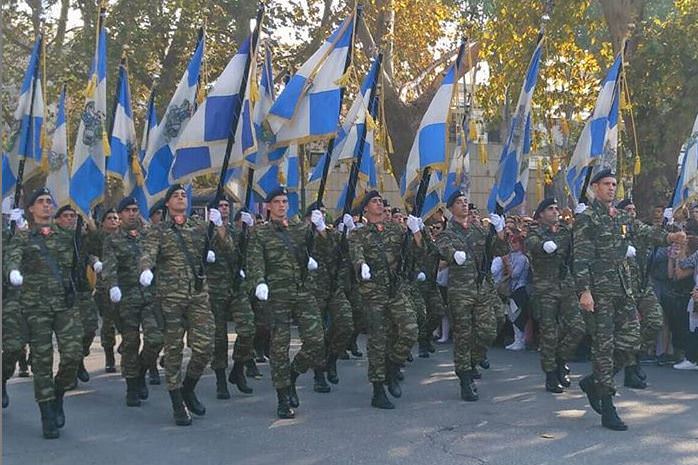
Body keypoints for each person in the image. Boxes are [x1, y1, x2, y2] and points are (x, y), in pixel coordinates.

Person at [573, 170, 685, 431]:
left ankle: (595, 382)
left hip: (624, 291)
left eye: (614, 184)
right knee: (603, 348)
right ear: (594, 187)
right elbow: (580, 258)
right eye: (606, 184)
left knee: (631, 341)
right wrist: (584, 291)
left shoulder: (620, 216)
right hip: (600, 295)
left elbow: (644, 231)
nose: (612, 188)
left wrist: (670, 237)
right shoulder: (587, 219)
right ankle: (607, 406)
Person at [139, 184, 228, 426]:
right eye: (175, 196)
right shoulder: (158, 230)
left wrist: (218, 224)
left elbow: (225, 246)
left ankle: (188, 388)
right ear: (167, 203)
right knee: (174, 350)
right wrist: (146, 269)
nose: (180, 198)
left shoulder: (199, 227)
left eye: (182, 195)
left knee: (205, 346)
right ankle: (177, 401)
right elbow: (148, 252)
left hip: (198, 295)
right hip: (170, 298)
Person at [5, 188, 83, 439]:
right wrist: (13, 271)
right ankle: (47, 412)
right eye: (40, 202)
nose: (46, 206)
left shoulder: (66, 235)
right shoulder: (23, 237)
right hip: (35, 306)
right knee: (42, 361)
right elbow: (12, 257)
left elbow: (88, 247)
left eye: (49, 202)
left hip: (64, 304)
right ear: (31, 209)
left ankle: (58, 393)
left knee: (73, 355)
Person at [247, 187, 327, 419]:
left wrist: (320, 228)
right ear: (269, 206)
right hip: (277, 296)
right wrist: (259, 282)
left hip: (302, 291)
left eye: (285, 201)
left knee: (316, 340)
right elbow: (254, 262)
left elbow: (326, 249)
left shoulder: (299, 229)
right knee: (279, 349)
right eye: (277, 202)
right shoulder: (260, 234)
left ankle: (293, 374)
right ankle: (283, 397)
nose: (282, 205)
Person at [348, 190, 419, 410]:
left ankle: (394, 365)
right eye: (374, 202)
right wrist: (362, 266)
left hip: (395, 290)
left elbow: (416, 254)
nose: (379, 204)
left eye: (380, 201)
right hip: (374, 293)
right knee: (378, 341)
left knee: (410, 329)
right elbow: (356, 254)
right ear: (365, 209)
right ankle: (378, 390)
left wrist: (417, 234)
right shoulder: (358, 234)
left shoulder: (396, 229)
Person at [436, 191, 508, 401]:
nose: (464, 205)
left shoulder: (479, 230)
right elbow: (442, 248)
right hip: (460, 290)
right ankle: (465, 378)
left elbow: (500, 249)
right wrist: (452, 254)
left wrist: (500, 231)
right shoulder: (447, 232)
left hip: (482, 287)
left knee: (488, 330)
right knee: (463, 335)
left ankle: (473, 361)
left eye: (466, 202)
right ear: (451, 208)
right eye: (459, 202)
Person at [102, 196, 164, 407]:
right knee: (130, 344)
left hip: (149, 297)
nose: (131, 213)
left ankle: (141, 373)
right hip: (126, 297)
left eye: (135, 209)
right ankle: (131, 387)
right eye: (127, 210)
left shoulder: (148, 235)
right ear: (120, 215)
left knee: (155, 339)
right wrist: (113, 286)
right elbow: (109, 267)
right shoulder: (112, 240)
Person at [525, 198, 584, 393]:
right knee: (549, 333)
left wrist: (582, 219)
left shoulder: (566, 231)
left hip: (566, 285)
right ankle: (550, 375)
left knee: (578, 327)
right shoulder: (535, 231)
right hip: (545, 288)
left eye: (556, 208)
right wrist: (543, 245)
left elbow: (582, 241)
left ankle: (560, 359)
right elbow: (531, 244)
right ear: (541, 214)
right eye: (550, 209)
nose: (555, 212)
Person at [206, 196, 256, 399]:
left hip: (236, 287)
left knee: (248, 328)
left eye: (227, 206)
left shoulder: (236, 231)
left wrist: (250, 230)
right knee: (219, 337)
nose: (224, 208)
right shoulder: (203, 233)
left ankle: (238, 369)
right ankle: (220, 380)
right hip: (214, 289)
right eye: (220, 205)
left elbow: (245, 253)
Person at [617, 198, 665, 388]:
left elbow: (656, 236)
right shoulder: (613, 230)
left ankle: (635, 356)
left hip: (643, 286)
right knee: (629, 330)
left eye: (634, 209)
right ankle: (630, 371)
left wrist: (666, 226)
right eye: (628, 209)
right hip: (623, 289)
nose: (632, 212)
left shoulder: (639, 229)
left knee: (655, 321)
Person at [306, 203, 354, 386]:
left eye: (324, 214)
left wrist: (350, 230)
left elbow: (345, 252)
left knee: (346, 324)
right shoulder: (302, 233)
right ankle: (319, 374)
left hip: (334, 287)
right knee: (316, 333)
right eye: (318, 214)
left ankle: (331, 359)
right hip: (312, 290)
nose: (322, 218)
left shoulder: (331, 233)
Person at [54, 204, 100, 386]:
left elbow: (94, 248)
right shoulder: (52, 238)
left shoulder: (82, 238)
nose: (71, 219)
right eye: (66, 216)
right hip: (63, 294)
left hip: (82, 289)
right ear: (57, 219)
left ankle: (80, 359)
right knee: (69, 337)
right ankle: (70, 374)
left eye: (73, 215)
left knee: (89, 329)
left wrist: (94, 261)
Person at [93, 208, 121, 373]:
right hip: (105, 287)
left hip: (124, 285)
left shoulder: (124, 236)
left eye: (115, 218)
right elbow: (87, 253)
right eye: (109, 218)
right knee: (108, 323)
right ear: (103, 222)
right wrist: (95, 261)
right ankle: (109, 356)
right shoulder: (98, 237)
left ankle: (126, 347)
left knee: (127, 322)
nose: (113, 220)